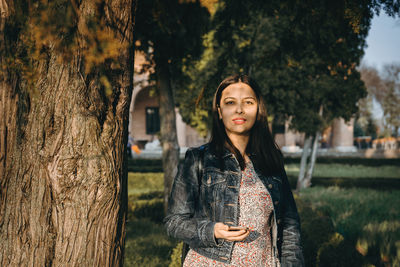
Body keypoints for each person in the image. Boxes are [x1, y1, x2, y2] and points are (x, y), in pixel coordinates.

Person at [164, 74, 304, 266]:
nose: (239, 110)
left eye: (248, 102)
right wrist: (212, 230)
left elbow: (289, 226)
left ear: (258, 110)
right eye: (230, 103)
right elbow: (174, 222)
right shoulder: (199, 159)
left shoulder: (272, 160)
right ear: (220, 112)